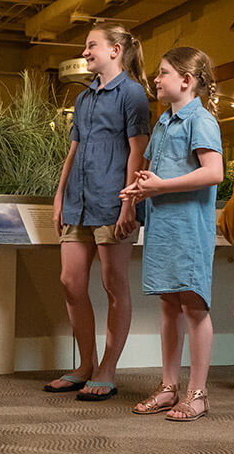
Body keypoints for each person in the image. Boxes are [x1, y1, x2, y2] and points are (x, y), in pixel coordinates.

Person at [44, 24, 151, 401]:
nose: (85, 52)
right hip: (78, 201)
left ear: (115, 50)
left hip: (113, 202)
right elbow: (73, 150)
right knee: (70, 282)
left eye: (92, 46)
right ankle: (85, 365)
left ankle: (108, 369)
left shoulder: (133, 94)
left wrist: (129, 203)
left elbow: (138, 151)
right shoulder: (85, 98)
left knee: (113, 285)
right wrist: (59, 196)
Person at [121, 47, 223, 421]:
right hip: (164, 227)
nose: (157, 79)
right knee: (168, 305)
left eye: (163, 73)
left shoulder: (202, 120)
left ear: (187, 80)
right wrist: (139, 189)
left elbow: (214, 172)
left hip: (189, 229)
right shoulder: (165, 120)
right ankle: (169, 387)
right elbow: (157, 174)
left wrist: (160, 186)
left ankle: (198, 393)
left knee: (194, 307)